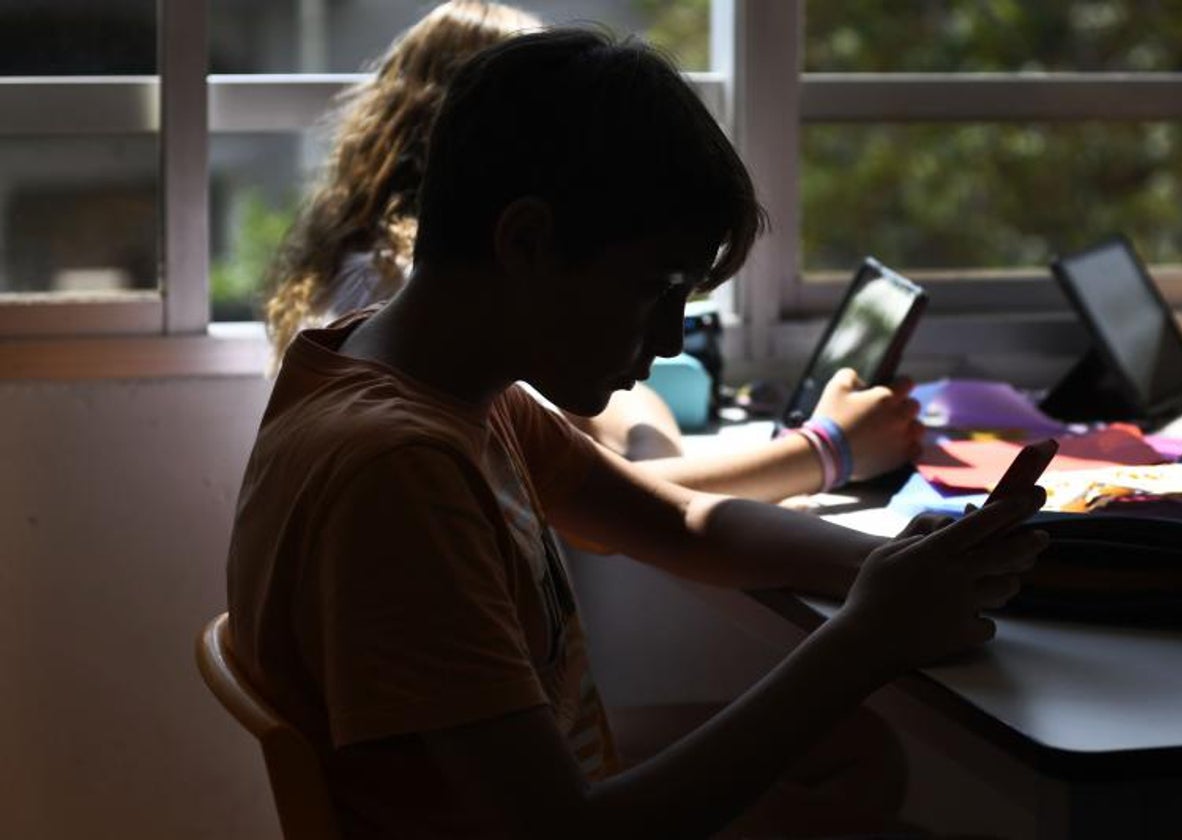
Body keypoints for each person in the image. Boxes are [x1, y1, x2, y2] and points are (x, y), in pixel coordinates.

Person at [227, 25, 1048, 839]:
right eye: (655, 289)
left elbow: (679, 522)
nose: (666, 339)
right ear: (525, 242)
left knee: (856, 750)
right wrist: (869, 638)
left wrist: (905, 570)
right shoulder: (400, 469)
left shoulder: (446, 390)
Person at [262, 0, 923, 506]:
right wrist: (826, 450)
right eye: (650, 286)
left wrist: (642, 453)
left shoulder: (469, 366)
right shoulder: (413, 368)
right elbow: (634, 488)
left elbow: (629, 446)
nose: (666, 341)